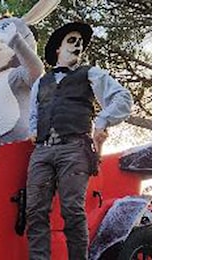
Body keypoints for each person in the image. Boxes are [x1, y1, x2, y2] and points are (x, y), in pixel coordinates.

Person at [26, 22, 133, 260]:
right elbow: (33, 114)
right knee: (34, 212)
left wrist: (103, 120)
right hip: (42, 151)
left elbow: (123, 97)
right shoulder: (40, 82)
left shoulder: (90, 73)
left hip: (74, 148)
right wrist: (34, 129)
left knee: (72, 211)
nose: (78, 46)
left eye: (80, 43)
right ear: (58, 49)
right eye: (72, 41)